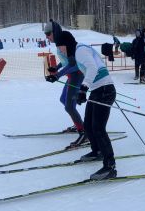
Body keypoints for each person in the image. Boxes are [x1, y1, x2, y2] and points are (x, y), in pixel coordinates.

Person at [74, 42, 117, 180]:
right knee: (88, 125)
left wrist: (83, 88)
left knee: (98, 128)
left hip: (104, 90)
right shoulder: (82, 50)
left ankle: (110, 166)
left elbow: (92, 67)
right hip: (97, 89)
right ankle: (97, 151)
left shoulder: (79, 51)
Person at [44, 19, 86, 148]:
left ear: (55, 32)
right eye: (45, 34)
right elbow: (65, 60)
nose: (47, 36)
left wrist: (57, 75)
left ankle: (84, 133)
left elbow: (73, 64)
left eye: (48, 33)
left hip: (77, 74)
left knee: (69, 106)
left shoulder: (63, 39)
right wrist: (56, 68)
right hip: (71, 74)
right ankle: (78, 123)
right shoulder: (59, 40)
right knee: (64, 100)